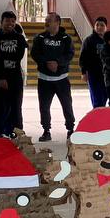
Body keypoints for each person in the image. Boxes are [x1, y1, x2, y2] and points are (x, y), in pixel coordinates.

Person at [31, 12, 75, 141]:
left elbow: (70, 54)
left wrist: (58, 63)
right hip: (44, 79)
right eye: (46, 20)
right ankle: (46, 130)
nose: (46, 22)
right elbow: (35, 53)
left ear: (57, 22)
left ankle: (70, 129)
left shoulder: (66, 38)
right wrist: (46, 63)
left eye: (49, 20)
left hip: (62, 79)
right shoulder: (39, 37)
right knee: (44, 106)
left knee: (67, 105)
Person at [0, 10, 28, 138]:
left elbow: (18, 56)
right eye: (7, 21)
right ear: (1, 22)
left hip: (15, 77)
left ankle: (17, 134)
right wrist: (1, 78)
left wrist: (1, 54)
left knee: (16, 107)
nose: (10, 24)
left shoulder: (19, 38)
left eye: (13, 21)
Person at [78, 16, 109, 109]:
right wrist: (84, 72)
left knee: (104, 97)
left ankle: (101, 116)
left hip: (107, 74)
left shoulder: (108, 40)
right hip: (93, 74)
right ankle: (97, 117)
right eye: (97, 25)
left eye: (102, 25)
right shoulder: (89, 40)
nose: (99, 27)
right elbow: (83, 57)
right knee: (96, 98)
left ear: (106, 27)